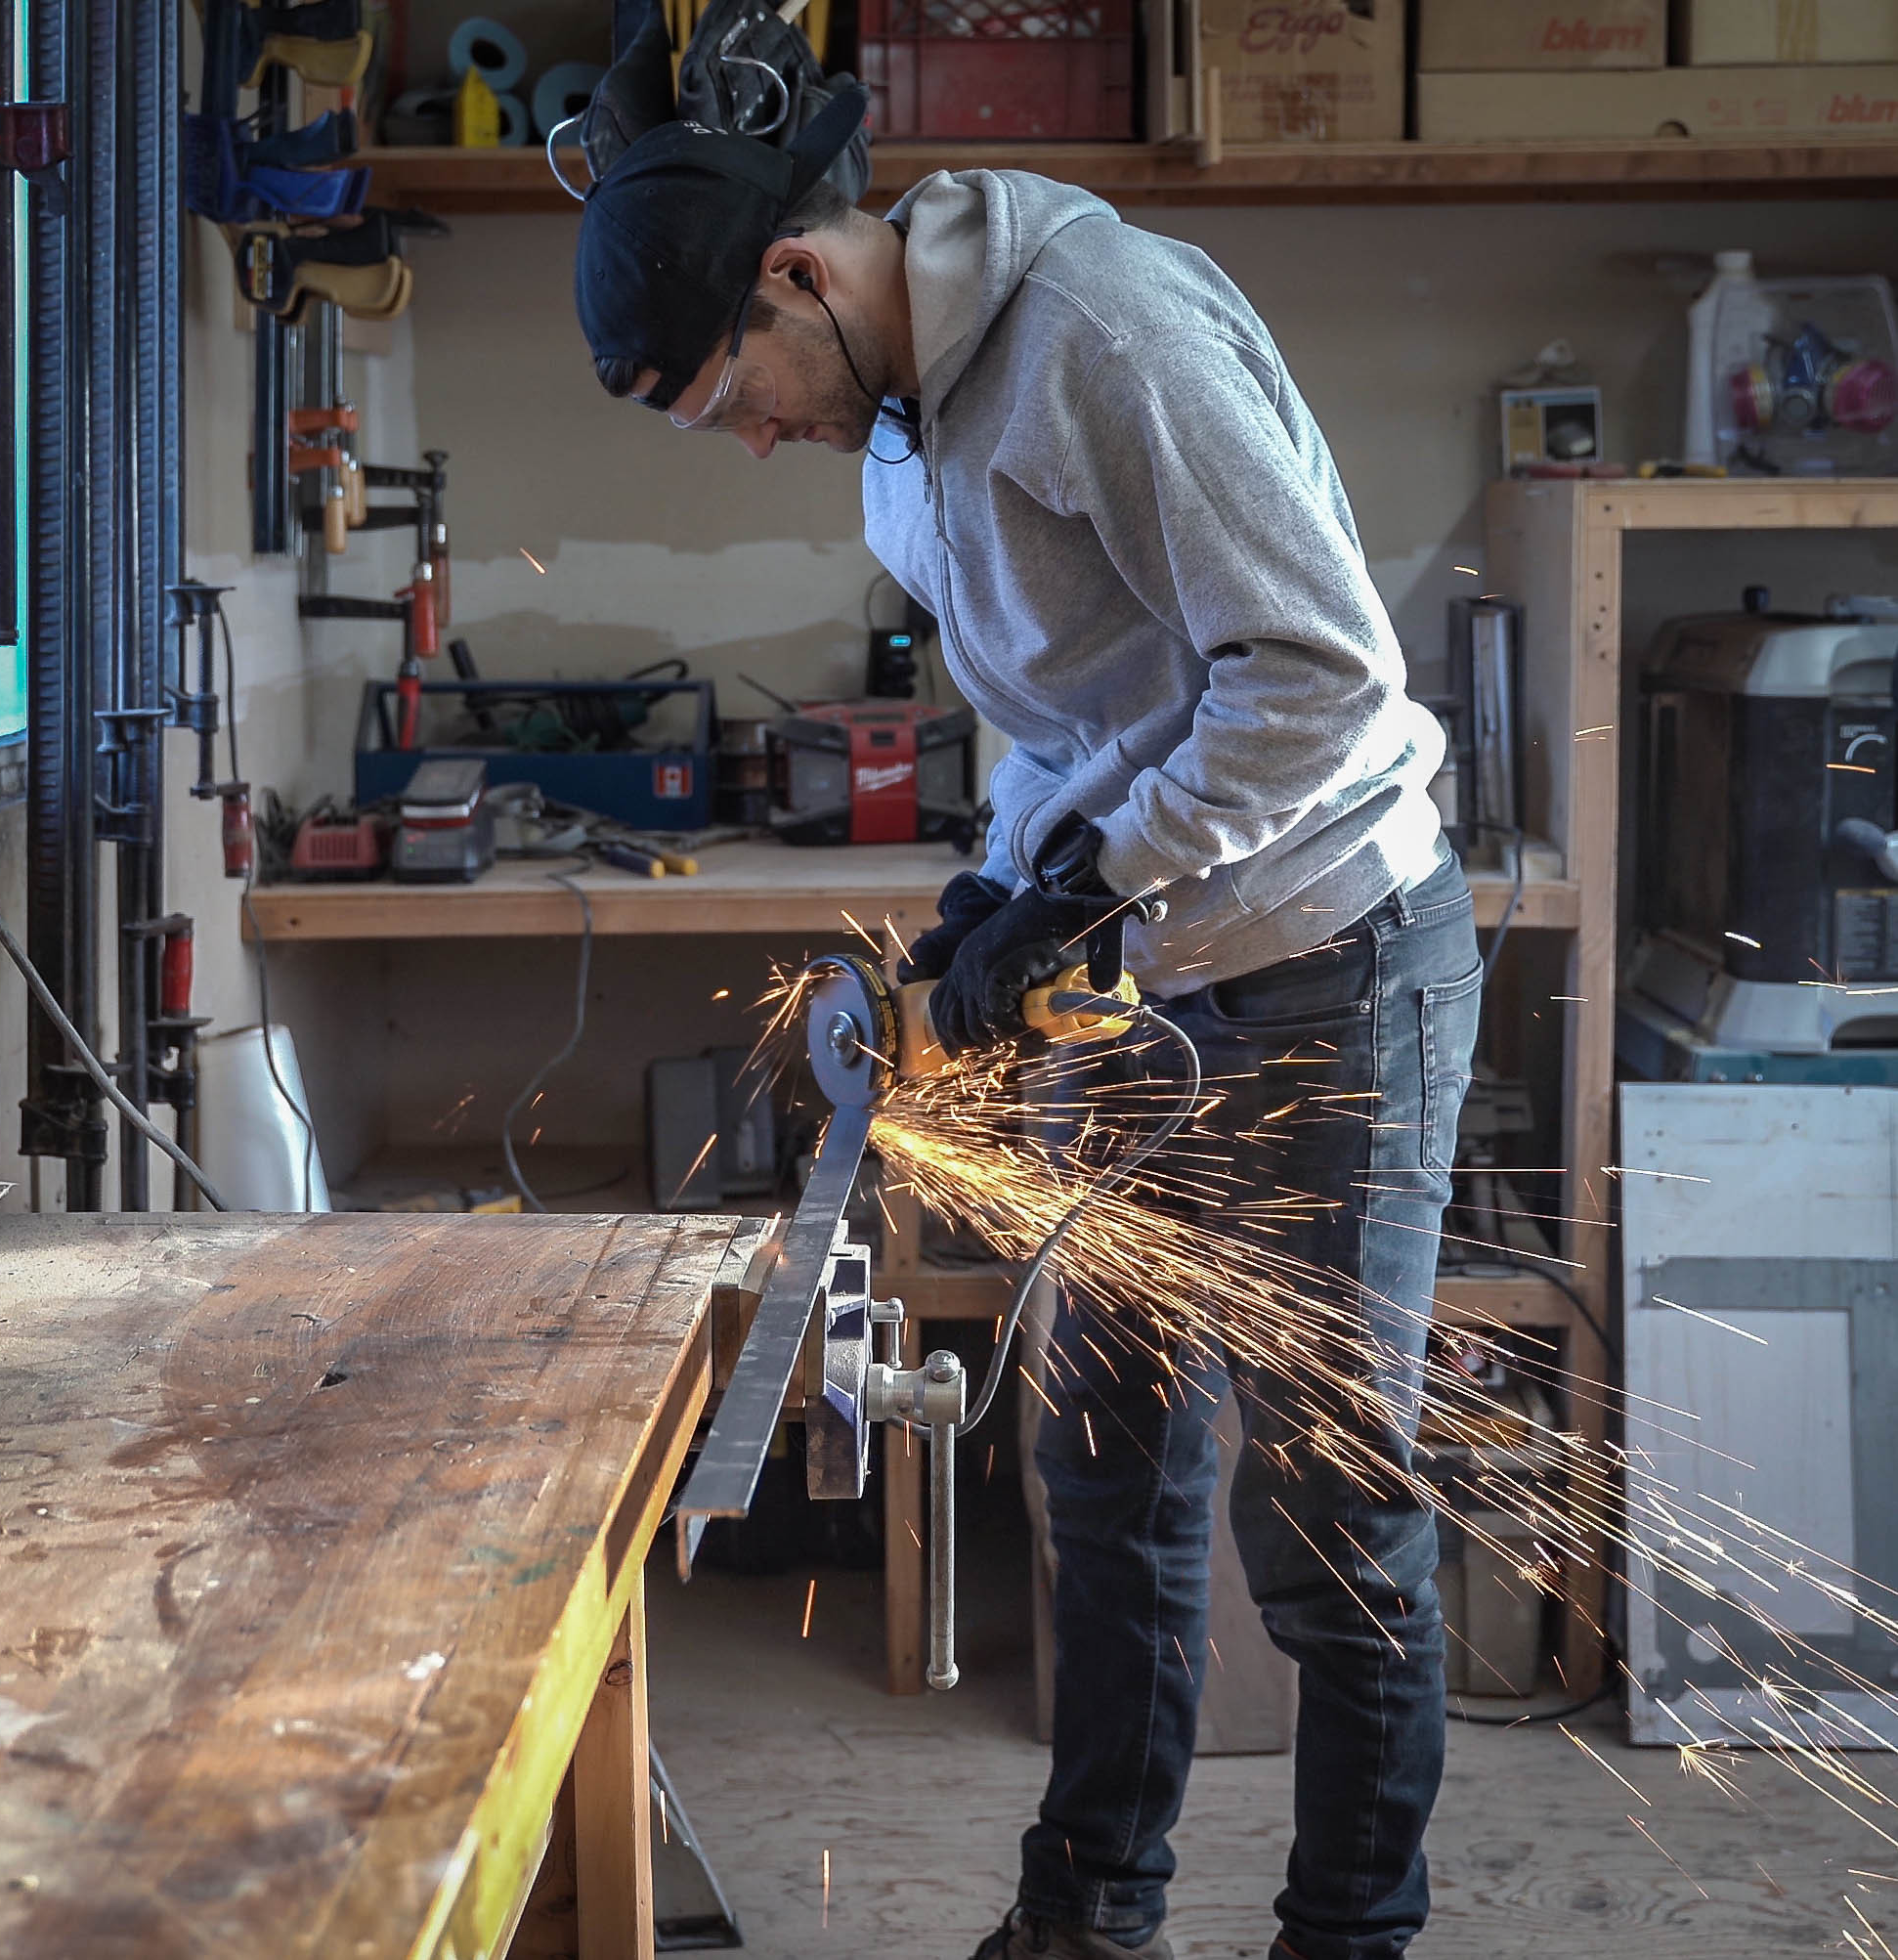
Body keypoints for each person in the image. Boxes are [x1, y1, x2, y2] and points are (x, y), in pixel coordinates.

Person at [574, 109, 1482, 1960]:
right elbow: (1061, 705)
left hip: (1326, 944)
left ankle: (1349, 1934)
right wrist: (1008, 883)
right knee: (1106, 1462)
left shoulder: (1105, 335)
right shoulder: (895, 420)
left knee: (1322, 1504)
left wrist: (1096, 882)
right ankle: (1087, 1916)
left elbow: (1318, 679)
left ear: (799, 274)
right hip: (1146, 957)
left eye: (735, 394)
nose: (752, 437)